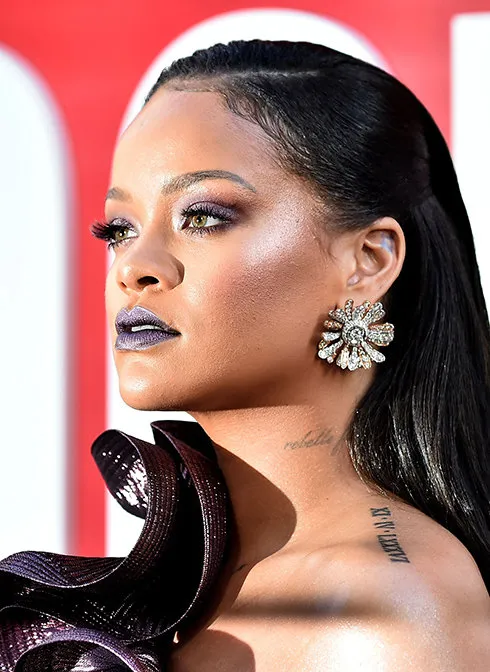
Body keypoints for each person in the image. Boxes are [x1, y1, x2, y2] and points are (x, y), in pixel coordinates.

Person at [1, 38, 489, 671]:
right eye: (118, 229)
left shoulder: (383, 615)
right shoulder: (210, 588)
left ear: (368, 261)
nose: (133, 267)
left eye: (203, 217)